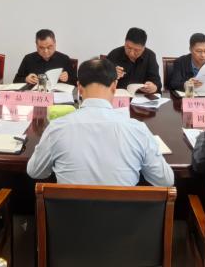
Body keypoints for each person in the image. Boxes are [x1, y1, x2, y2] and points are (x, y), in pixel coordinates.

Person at [27, 58, 174, 187]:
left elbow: (35, 172)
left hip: (69, 211)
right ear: (114, 86)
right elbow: (165, 180)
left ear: (79, 88)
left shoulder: (57, 128)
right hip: (123, 211)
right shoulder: (137, 129)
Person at [106, 27, 162, 94]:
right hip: (119, 96)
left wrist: (154, 87)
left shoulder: (150, 56)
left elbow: (156, 81)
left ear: (143, 48)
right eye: (128, 48)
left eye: (136, 50)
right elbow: (101, 80)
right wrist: (111, 74)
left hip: (141, 96)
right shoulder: (114, 54)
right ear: (125, 42)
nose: (131, 53)